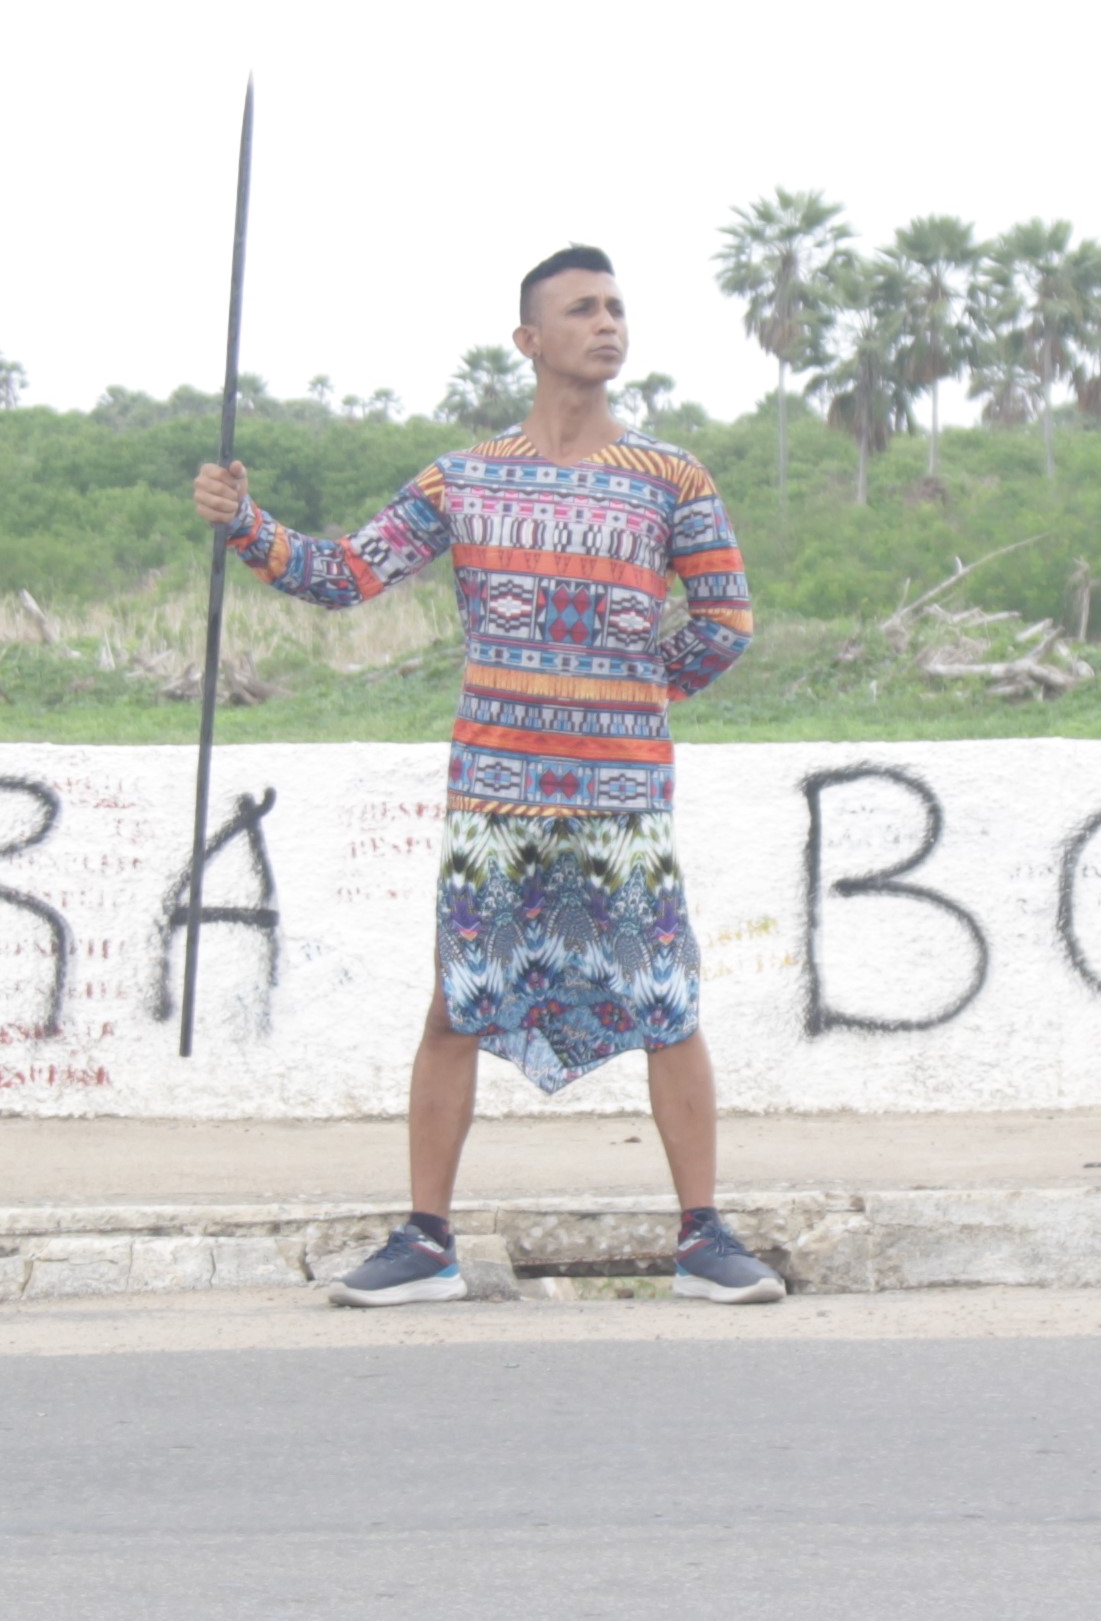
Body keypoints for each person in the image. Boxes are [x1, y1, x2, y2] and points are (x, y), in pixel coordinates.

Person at [192, 244, 782, 1307]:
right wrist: (246, 524)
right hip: (493, 798)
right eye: (581, 309)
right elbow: (344, 574)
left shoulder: (672, 479)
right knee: (455, 1006)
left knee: (666, 1001)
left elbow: (727, 621)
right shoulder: (462, 479)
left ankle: (701, 1239)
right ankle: (426, 1243)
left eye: (616, 307)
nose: (607, 324)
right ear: (529, 340)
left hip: (620, 799)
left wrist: (632, 695)